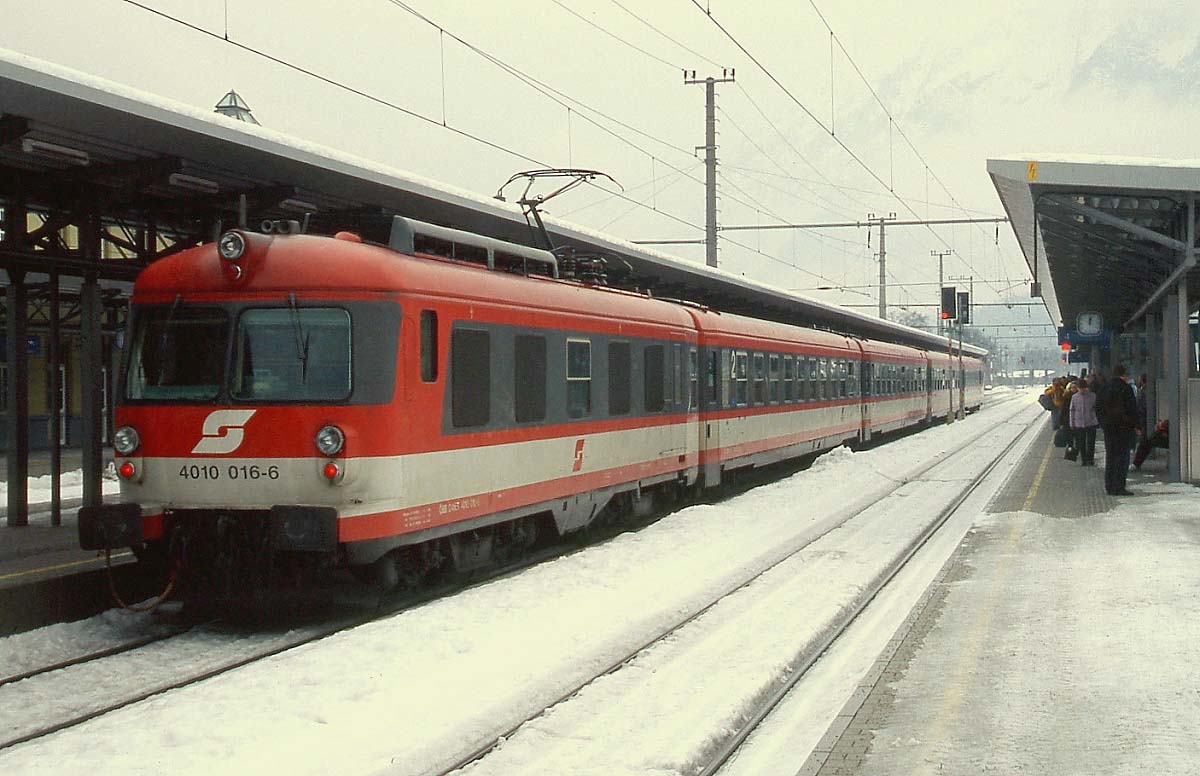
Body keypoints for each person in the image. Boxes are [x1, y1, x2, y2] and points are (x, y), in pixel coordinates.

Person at [1101, 365, 1138, 495]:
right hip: (1123, 428)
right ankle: (1119, 486)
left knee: (1110, 456)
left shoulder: (1104, 387)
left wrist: (1103, 423)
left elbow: (1098, 407)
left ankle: (1109, 486)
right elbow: (1132, 408)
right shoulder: (1126, 388)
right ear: (1124, 375)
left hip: (1109, 428)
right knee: (1122, 458)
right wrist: (1135, 425)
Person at [1069, 377, 1099, 466]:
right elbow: (1072, 410)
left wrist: (1096, 419)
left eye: (1083, 388)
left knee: (1091, 442)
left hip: (1091, 422)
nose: (1082, 390)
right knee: (1081, 442)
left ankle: (1090, 459)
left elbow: (1096, 408)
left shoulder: (1093, 396)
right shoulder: (1074, 397)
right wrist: (1072, 422)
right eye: (1080, 388)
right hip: (1079, 423)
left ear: (1087, 387)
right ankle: (1084, 460)